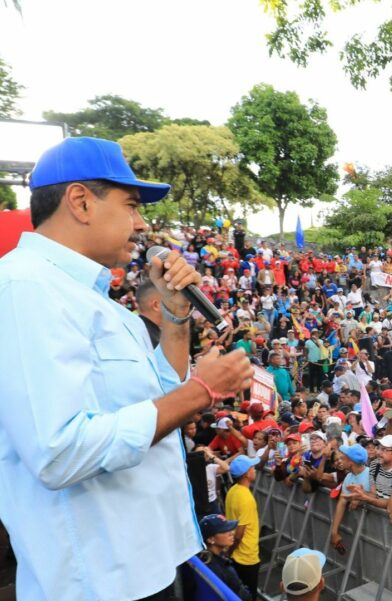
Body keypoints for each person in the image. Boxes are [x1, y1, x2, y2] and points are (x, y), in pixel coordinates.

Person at [0, 137, 253, 600]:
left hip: (149, 561)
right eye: (132, 206)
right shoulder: (25, 289)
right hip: (100, 580)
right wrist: (202, 390)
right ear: (80, 201)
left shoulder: (96, 301)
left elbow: (162, 397)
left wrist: (176, 317)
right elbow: (60, 451)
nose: (141, 225)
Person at [225, 455, 262, 599]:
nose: (255, 470)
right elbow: (239, 534)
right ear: (247, 473)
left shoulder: (233, 490)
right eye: (252, 468)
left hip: (235, 555)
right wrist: (231, 550)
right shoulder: (246, 498)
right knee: (249, 595)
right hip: (247, 557)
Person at [197, 514, 251, 601]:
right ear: (211, 539)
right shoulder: (214, 569)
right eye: (224, 530)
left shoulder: (213, 557)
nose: (231, 533)